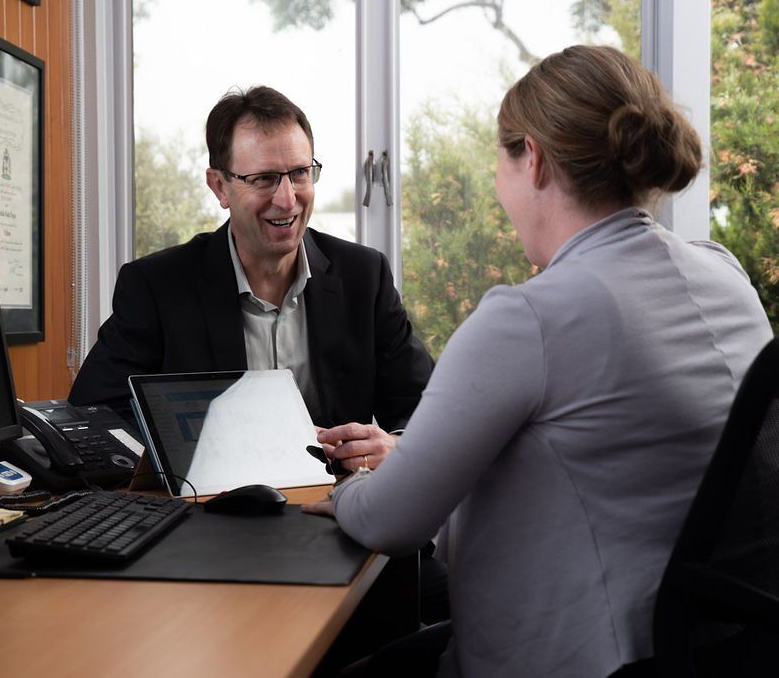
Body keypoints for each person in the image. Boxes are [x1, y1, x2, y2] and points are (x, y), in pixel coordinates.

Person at [305, 45, 774, 677]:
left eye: (499, 157)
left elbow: (390, 523)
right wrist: (411, 461)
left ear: (536, 160)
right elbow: (611, 464)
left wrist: (350, 488)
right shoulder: (723, 272)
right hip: (715, 653)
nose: (497, 182)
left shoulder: (529, 317)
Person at [69, 86, 433, 466]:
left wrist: (397, 446)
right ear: (220, 187)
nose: (287, 199)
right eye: (264, 179)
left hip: (338, 506)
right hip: (215, 513)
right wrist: (206, 448)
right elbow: (94, 413)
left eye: (299, 173)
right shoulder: (157, 286)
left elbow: (425, 407)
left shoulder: (364, 277)